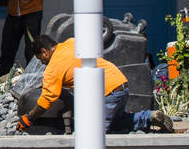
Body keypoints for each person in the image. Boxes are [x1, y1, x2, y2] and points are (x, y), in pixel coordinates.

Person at [16, 34, 174, 134]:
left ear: (44, 51)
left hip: (107, 93)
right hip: (120, 82)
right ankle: (150, 117)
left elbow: (47, 99)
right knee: (117, 122)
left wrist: (29, 117)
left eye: (40, 59)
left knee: (93, 137)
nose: (42, 63)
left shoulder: (53, 68)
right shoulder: (71, 43)